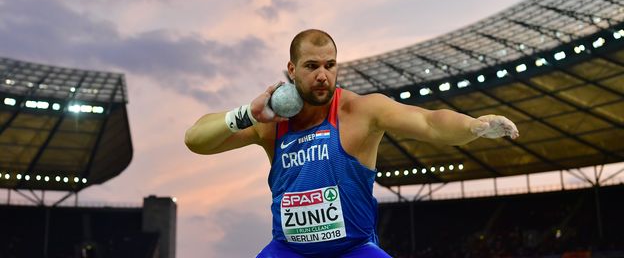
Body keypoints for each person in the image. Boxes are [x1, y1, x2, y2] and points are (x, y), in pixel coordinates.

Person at [185, 29, 519, 257]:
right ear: (291, 69)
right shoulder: (269, 123)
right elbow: (196, 140)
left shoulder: (361, 111)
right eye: (312, 66)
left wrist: (475, 126)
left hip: (353, 250)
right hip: (288, 251)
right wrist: (245, 113)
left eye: (330, 66)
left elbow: (429, 122)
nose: (322, 75)